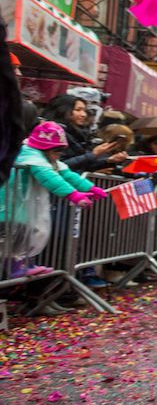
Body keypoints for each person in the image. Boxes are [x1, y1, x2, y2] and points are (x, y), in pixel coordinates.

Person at [3, 122, 108, 312]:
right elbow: (50, 178)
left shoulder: (43, 157)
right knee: (14, 237)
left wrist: (90, 188)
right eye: (57, 152)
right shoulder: (32, 157)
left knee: (23, 235)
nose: (59, 156)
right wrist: (73, 195)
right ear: (47, 148)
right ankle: (17, 267)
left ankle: (23, 264)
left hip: (19, 207)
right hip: (8, 206)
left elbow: (67, 174)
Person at [42, 94, 128, 175]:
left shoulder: (78, 134)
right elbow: (59, 165)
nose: (83, 114)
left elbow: (82, 166)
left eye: (84, 110)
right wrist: (93, 154)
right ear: (63, 110)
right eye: (78, 110)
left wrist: (109, 161)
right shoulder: (53, 133)